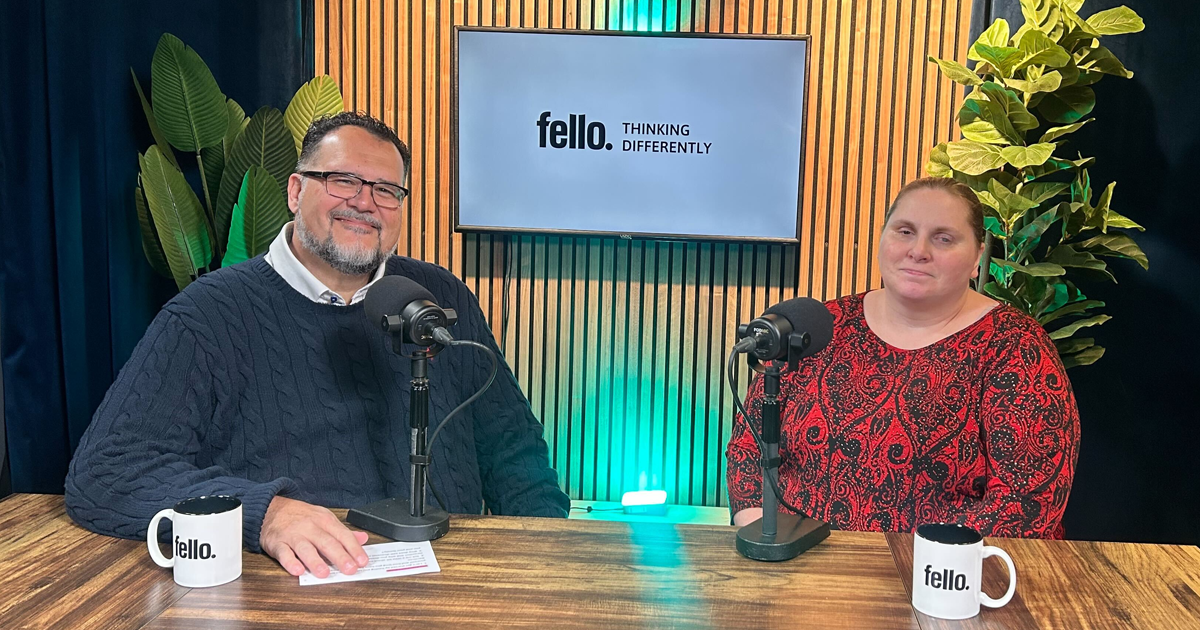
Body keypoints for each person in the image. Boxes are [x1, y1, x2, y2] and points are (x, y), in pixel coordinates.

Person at [66, 112, 569, 578]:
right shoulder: (208, 314)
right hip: (296, 595)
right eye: (342, 180)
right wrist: (262, 514)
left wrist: (547, 563)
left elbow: (514, 453)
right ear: (294, 190)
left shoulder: (440, 297)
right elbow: (106, 471)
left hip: (459, 580)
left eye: (386, 189)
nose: (364, 201)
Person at [726, 177, 1080, 539]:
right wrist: (766, 538)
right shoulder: (819, 327)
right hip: (798, 566)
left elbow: (1028, 500)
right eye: (905, 231)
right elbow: (750, 448)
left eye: (943, 238)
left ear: (977, 257)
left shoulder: (1014, 347)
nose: (919, 250)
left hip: (944, 581)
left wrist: (928, 570)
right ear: (883, 239)